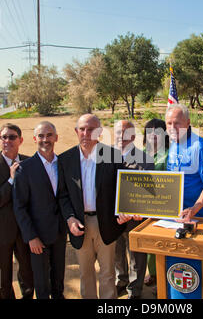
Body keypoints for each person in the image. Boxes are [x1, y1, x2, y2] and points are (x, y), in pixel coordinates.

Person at [58, 114, 132, 299]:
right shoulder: (65, 159)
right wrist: (69, 218)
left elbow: (122, 188)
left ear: (98, 132)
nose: (85, 133)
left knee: (107, 273)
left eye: (90, 129)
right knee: (86, 273)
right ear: (76, 131)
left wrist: (124, 209)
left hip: (105, 223)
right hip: (79, 225)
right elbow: (63, 195)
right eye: (82, 129)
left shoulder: (112, 155)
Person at [165, 104, 203, 298]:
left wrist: (194, 208)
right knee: (177, 276)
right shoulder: (172, 145)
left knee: (196, 278)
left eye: (177, 123)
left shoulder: (201, 147)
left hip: (199, 221)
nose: (172, 127)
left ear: (187, 123)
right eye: (169, 123)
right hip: (176, 220)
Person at [13, 121, 67, 299]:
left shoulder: (64, 164)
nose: (46, 139)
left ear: (56, 138)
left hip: (60, 233)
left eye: (49, 135)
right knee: (42, 282)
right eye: (41, 136)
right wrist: (31, 237)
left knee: (58, 277)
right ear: (35, 138)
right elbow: (19, 206)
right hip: (38, 236)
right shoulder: (24, 168)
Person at [0, 123, 34, 299]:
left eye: (12, 137)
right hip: (0, 232)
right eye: (4, 137)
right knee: (1, 275)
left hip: (25, 230)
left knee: (28, 273)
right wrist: (11, 180)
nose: (8, 140)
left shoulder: (30, 162)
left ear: (20, 140)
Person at [113, 120, 154, 299]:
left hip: (136, 217)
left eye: (125, 133)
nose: (121, 137)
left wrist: (138, 210)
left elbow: (148, 190)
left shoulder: (145, 159)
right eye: (117, 132)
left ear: (133, 136)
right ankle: (120, 282)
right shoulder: (106, 157)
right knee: (117, 253)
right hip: (114, 218)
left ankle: (134, 291)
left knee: (136, 257)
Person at [142, 118, 169, 288]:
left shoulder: (169, 154)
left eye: (157, 130)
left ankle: (164, 276)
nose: (153, 134)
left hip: (162, 205)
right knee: (148, 242)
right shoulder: (140, 153)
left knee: (161, 241)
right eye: (149, 130)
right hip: (142, 205)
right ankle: (153, 274)